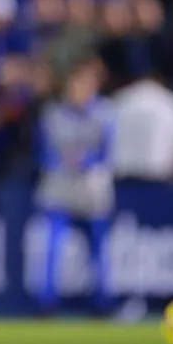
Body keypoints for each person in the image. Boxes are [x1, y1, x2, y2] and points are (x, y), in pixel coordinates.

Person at [33, 56, 117, 316]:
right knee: (52, 244)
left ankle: (102, 301)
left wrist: (87, 159)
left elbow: (109, 151)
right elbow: (42, 151)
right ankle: (47, 301)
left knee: (98, 246)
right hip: (60, 185)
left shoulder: (105, 113)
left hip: (92, 187)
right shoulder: (53, 114)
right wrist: (60, 160)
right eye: (75, 83)